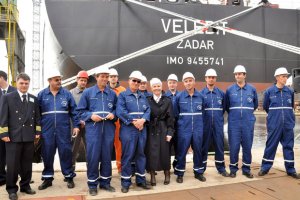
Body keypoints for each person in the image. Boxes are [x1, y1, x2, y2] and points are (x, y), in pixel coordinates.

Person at [77, 66, 118, 196]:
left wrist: (114, 114)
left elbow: (118, 110)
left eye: (107, 76)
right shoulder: (88, 93)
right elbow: (80, 112)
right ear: (96, 77)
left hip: (108, 129)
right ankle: (93, 184)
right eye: (102, 76)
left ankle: (105, 182)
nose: (105, 79)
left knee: (106, 156)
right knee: (93, 156)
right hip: (93, 129)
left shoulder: (112, 93)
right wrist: (90, 116)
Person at [0, 73, 41, 200]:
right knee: (12, 164)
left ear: (29, 84)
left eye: (26, 83)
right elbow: (3, 117)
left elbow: (37, 117)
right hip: (13, 137)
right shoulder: (8, 97)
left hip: (29, 136)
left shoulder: (33, 98)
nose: (24, 86)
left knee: (27, 164)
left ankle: (25, 185)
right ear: (16, 83)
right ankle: (12, 189)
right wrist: (4, 133)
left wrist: (38, 132)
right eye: (21, 83)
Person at [38, 69, 80, 190]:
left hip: (63, 130)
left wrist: (76, 126)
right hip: (47, 131)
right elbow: (36, 115)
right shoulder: (42, 95)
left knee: (66, 153)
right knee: (47, 153)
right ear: (49, 81)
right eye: (57, 80)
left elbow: (74, 111)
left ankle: (69, 176)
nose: (59, 81)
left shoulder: (67, 94)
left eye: (60, 79)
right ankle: (47, 178)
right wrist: (38, 130)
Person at [258, 67, 300, 179]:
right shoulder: (269, 92)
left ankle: (291, 170)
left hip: (287, 125)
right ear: (277, 77)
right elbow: (266, 107)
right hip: (274, 125)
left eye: (286, 76)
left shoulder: (290, 92)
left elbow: (291, 107)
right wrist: (274, 118)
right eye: (283, 76)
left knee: (288, 147)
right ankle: (265, 168)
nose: (285, 78)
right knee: (271, 146)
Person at [116, 70, 151, 193]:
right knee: (128, 155)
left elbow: (148, 110)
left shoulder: (142, 96)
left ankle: (141, 180)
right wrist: (134, 122)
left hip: (141, 129)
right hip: (128, 130)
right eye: (134, 81)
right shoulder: (123, 95)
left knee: (141, 154)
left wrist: (143, 120)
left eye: (138, 81)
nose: (136, 83)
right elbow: (120, 111)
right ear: (129, 81)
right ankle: (126, 182)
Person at [225, 65, 258, 178]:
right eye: (236, 74)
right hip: (234, 124)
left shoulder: (252, 89)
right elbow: (227, 106)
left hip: (248, 124)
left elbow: (255, 105)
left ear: (244, 75)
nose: (237, 76)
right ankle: (233, 169)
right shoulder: (229, 90)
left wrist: (246, 115)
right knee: (234, 147)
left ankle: (246, 169)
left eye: (240, 74)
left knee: (247, 147)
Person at [174, 72, 205, 183]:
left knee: (198, 150)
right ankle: (180, 173)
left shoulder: (201, 96)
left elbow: (203, 113)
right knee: (182, 151)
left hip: (198, 129)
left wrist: (200, 126)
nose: (188, 83)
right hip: (184, 129)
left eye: (190, 80)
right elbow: (175, 114)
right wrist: (181, 126)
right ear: (183, 83)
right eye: (186, 81)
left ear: (194, 81)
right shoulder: (179, 97)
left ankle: (198, 172)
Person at [199, 69, 229, 177]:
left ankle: (221, 168)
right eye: (209, 77)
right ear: (205, 78)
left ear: (215, 79)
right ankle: (201, 169)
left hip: (218, 124)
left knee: (219, 146)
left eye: (213, 77)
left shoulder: (221, 93)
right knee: (204, 146)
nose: (211, 79)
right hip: (205, 125)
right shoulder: (201, 94)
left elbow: (224, 108)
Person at [146, 78, 175, 186]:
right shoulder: (147, 100)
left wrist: (170, 132)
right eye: (154, 86)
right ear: (151, 88)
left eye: (158, 86)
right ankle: (152, 175)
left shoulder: (167, 100)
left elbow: (171, 118)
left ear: (161, 87)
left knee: (165, 152)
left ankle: (167, 173)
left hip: (163, 128)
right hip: (151, 129)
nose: (157, 88)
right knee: (151, 153)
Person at [107, 68, 126, 174]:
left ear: (117, 78)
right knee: (106, 145)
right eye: (111, 76)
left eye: (115, 76)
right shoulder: (105, 89)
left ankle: (120, 168)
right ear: (109, 78)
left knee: (119, 146)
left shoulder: (123, 90)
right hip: (107, 122)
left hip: (119, 123)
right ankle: (106, 170)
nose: (113, 78)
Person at [70, 70, 89, 171]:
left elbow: (91, 109)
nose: (83, 82)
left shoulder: (89, 93)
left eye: (85, 81)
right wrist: (78, 122)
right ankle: (71, 172)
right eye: (81, 80)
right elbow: (70, 110)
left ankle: (91, 170)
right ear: (77, 80)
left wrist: (85, 120)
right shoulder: (71, 93)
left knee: (89, 148)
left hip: (88, 125)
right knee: (73, 149)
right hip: (75, 126)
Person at [0, 70, 16, 187]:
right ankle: (2, 177)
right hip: (0, 129)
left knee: (15, 155)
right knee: (0, 154)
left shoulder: (15, 91)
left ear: (1, 78)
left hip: (14, 129)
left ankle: (19, 175)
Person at [165, 74, 180, 170]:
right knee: (167, 147)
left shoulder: (181, 95)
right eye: (170, 83)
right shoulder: (164, 96)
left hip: (179, 125)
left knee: (179, 146)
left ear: (177, 84)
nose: (172, 85)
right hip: (168, 126)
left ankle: (177, 165)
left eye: (174, 83)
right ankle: (167, 167)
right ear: (167, 84)